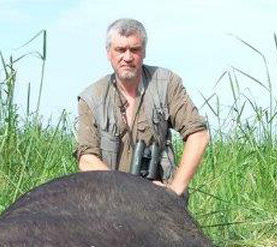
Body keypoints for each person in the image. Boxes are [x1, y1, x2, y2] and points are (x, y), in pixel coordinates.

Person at [76, 18, 210, 198]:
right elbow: (86, 159)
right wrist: (126, 190)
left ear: (144, 51)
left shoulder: (167, 83)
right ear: (109, 53)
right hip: (112, 198)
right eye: (120, 50)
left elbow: (199, 135)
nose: (128, 57)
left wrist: (174, 189)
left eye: (135, 50)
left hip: (160, 197)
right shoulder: (91, 97)